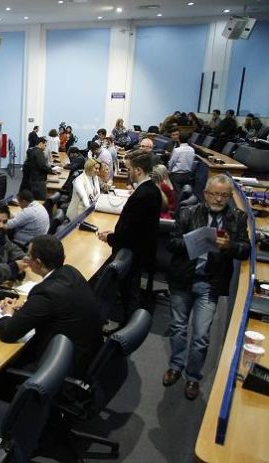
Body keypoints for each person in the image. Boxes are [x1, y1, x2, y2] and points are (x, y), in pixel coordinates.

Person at [164, 174, 250, 400]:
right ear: (205, 194)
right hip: (183, 280)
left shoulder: (237, 218)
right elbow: (171, 242)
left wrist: (230, 246)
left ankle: (193, 377)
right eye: (214, 194)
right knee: (178, 327)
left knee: (201, 336)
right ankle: (175, 366)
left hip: (210, 284)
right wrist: (192, 241)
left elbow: (245, 250)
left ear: (229, 197)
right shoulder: (188, 212)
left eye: (224, 195)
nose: (218, 199)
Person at [0, 235, 102, 378]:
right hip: (89, 353)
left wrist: (8, 313)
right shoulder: (70, 272)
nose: (26, 258)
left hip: (66, 367)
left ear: (38, 263)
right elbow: (57, 305)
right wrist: (28, 306)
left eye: (29, 255)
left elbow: (8, 333)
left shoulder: (45, 292)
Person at [97, 152, 161, 319]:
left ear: (138, 170)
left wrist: (110, 238)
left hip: (134, 252)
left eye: (130, 169)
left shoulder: (142, 195)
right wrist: (115, 233)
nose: (128, 172)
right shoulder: (152, 189)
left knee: (129, 292)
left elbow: (131, 231)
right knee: (130, 291)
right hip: (140, 248)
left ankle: (129, 323)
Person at [168, 132, 196, 199]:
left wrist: (169, 170)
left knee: (177, 193)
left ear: (179, 139)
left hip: (177, 175)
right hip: (187, 174)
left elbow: (172, 162)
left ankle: (178, 205)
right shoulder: (192, 150)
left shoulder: (177, 150)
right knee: (184, 192)